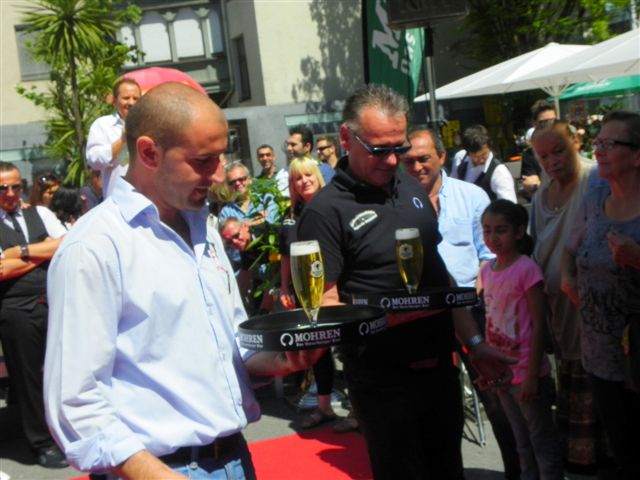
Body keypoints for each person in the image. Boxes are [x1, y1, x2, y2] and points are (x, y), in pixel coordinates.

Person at [43, 82, 322, 479]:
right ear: (149, 153)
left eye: (221, 157)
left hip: (234, 458)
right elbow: (76, 401)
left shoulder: (203, 226)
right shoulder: (95, 246)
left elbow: (232, 340)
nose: (219, 173)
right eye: (203, 160)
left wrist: (276, 360)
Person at [296, 84, 514, 480]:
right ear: (346, 137)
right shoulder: (325, 211)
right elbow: (323, 308)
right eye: (379, 149)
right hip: (382, 382)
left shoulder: (411, 186)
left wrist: (475, 343)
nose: (393, 160)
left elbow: (439, 274)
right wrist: (399, 315)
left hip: (440, 371)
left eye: (399, 147)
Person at [401, 129, 520, 480]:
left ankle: (516, 471)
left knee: (497, 400)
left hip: (473, 306)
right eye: (409, 161)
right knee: (437, 405)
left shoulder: (472, 195)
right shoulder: (396, 203)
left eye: (424, 158)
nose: (417, 166)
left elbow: (489, 254)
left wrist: (472, 297)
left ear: (441, 156)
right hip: (424, 314)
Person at [562, 111, 640, 480]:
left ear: (637, 155)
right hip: (599, 356)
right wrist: (567, 276)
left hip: (636, 358)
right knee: (624, 454)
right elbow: (570, 247)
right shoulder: (595, 199)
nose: (599, 151)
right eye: (598, 143)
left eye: (610, 144)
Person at [529, 120, 602, 472]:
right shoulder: (541, 195)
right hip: (560, 316)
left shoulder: (595, 180)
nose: (552, 161)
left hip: (594, 315)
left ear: (575, 142)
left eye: (558, 151)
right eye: (543, 156)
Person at [480, 200, 564, 480]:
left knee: (541, 439)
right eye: (487, 230)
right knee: (521, 441)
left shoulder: (527, 270)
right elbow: (491, 321)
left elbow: (539, 326)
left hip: (526, 373)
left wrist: (531, 375)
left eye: (500, 230)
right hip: (502, 375)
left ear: (518, 232)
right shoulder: (487, 270)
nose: (493, 237)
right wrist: (490, 370)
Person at [0, 162, 67, 468]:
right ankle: (41, 442)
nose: (11, 193)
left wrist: (23, 252)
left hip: (54, 300)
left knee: (63, 370)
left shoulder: (40, 213)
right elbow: (2, 270)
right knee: (29, 377)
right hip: (15, 309)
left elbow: (65, 244)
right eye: (3, 188)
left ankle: (66, 430)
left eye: (16, 186)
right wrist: (44, 251)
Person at [277, 157, 337, 429]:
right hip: (305, 290)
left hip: (334, 288)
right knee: (318, 347)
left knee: (349, 348)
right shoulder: (290, 216)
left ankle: (359, 411)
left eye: (308, 175)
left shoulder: (333, 205)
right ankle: (325, 407)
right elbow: (285, 255)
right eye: (298, 178)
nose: (304, 181)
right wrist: (285, 287)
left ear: (318, 176)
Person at [86, 78, 141, 197]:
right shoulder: (102, 125)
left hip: (147, 198)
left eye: (136, 98)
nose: (131, 103)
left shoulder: (150, 124)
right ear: (115, 101)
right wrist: (123, 140)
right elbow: (94, 161)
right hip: (117, 199)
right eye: (126, 98)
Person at [450, 124, 517, 202]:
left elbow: (509, 205)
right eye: (476, 156)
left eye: (484, 154)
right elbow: (453, 189)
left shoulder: (499, 172)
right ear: (468, 153)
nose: (481, 160)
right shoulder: (460, 159)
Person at [521, 100, 558, 196]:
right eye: (544, 122)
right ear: (535, 124)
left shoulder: (566, 146)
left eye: (553, 121)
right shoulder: (530, 155)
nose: (549, 125)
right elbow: (532, 184)